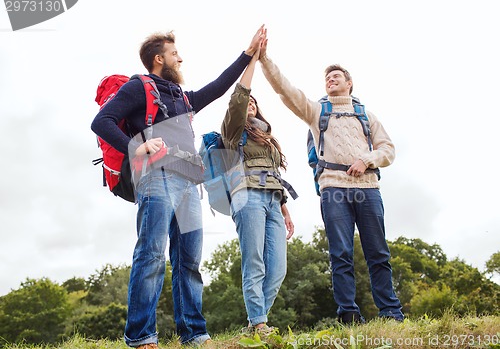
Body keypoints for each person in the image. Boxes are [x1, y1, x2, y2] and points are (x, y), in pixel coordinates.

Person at [91, 25, 266, 348]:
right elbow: (101, 121)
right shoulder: (138, 87)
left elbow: (218, 86)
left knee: (189, 261)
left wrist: (248, 53)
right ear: (159, 59)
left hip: (188, 181)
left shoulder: (183, 98)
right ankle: (142, 336)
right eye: (174, 54)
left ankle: (194, 334)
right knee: (152, 254)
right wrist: (135, 146)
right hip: (157, 177)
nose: (180, 59)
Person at [258, 34, 404, 324]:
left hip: (368, 188)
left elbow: (388, 149)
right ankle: (348, 314)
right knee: (340, 254)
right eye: (327, 78)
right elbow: (286, 91)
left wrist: (368, 159)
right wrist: (264, 59)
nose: (330, 80)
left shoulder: (366, 115)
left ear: (349, 83)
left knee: (378, 252)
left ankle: (390, 312)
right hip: (333, 188)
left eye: (336, 76)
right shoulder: (317, 111)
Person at [220, 37, 295, 334]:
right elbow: (239, 96)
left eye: (254, 101)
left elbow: (274, 173)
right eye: (247, 101)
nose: (250, 102)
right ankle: (260, 324)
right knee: (255, 263)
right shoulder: (233, 130)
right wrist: (253, 60)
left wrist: (286, 209)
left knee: (277, 269)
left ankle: (253, 324)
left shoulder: (267, 137)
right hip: (246, 197)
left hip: (273, 201)